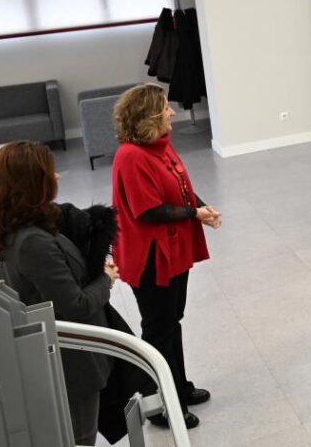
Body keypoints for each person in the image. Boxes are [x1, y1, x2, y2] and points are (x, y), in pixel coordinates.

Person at [0, 141, 117, 445]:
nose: (56, 177)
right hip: (71, 365)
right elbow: (76, 305)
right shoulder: (33, 242)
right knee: (80, 438)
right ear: (32, 182)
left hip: (65, 360)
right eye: (50, 172)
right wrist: (106, 279)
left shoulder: (21, 227)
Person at [111, 84, 221, 430]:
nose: (172, 112)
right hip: (149, 257)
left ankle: (179, 388)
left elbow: (181, 188)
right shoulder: (130, 156)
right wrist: (193, 214)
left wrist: (201, 207)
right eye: (165, 108)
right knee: (158, 329)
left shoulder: (161, 146)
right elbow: (148, 211)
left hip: (171, 250)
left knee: (172, 321)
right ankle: (160, 404)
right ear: (149, 117)